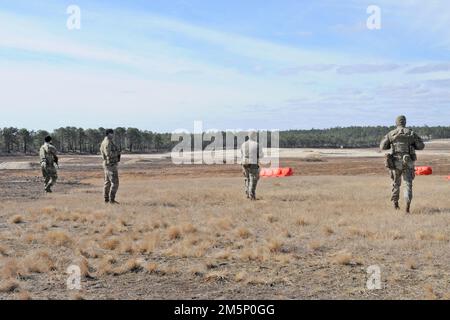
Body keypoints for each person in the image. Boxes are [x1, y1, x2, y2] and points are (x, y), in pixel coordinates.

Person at [380, 115, 425, 213]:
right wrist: (412, 143)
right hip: (408, 162)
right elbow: (421, 146)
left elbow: (382, 146)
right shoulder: (411, 133)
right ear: (405, 122)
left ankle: (395, 204)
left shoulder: (391, 134)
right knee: (408, 184)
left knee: (396, 184)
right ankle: (407, 207)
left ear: (396, 122)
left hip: (395, 163)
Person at [100, 129, 121, 204]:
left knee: (107, 183)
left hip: (107, 164)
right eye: (112, 134)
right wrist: (117, 153)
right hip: (111, 165)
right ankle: (111, 200)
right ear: (108, 134)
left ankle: (106, 200)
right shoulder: (107, 142)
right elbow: (108, 154)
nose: (113, 135)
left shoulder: (104, 142)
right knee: (115, 183)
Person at [240, 131, 264, 200]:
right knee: (253, 179)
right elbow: (261, 155)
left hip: (244, 163)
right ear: (254, 136)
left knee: (247, 178)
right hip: (253, 163)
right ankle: (252, 195)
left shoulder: (243, 144)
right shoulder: (256, 144)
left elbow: (241, 155)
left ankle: (247, 194)